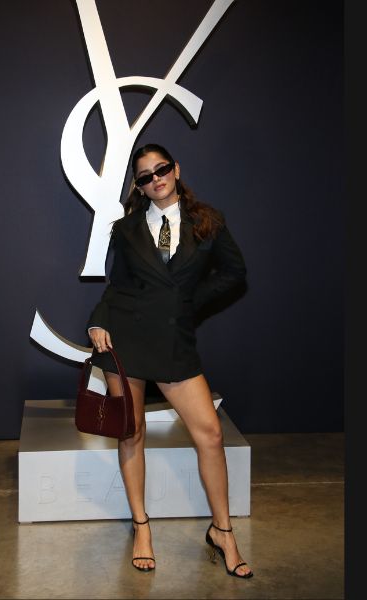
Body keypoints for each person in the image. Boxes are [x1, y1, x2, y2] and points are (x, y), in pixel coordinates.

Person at [86, 143, 252, 578]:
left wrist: (188, 303)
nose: (156, 179)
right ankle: (141, 526)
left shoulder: (207, 221)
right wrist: (97, 321)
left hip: (174, 341)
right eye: (145, 176)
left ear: (175, 170)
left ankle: (223, 531)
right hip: (127, 338)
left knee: (210, 434)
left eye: (161, 169)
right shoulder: (126, 229)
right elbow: (116, 287)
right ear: (138, 186)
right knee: (132, 432)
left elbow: (235, 273)